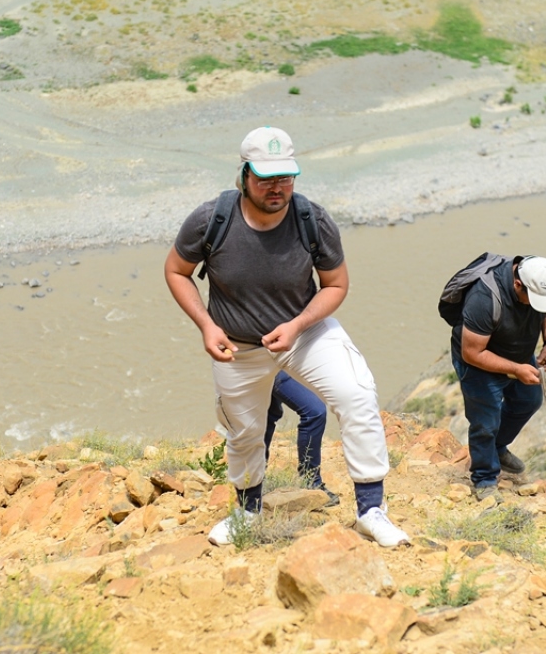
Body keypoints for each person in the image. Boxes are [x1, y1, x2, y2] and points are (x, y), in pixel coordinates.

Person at [165, 125, 408, 547]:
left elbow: (336, 285)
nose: (276, 187)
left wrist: (296, 325)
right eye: (265, 178)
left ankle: (371, 511)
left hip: (305, 334)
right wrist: (206, 325)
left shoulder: (312, 220)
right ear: (244, 175)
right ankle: (247, 513)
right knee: (244, 432)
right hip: (238, 347)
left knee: (357, 392)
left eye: (285, 177)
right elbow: (176, 271)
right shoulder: (211, 220)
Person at [451, 254, 546, 503]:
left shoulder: (540, 280)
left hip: (518, 355)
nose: (538, 306)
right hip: (480, 361)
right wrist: (517, 369)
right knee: (485, 422)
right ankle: (485, 480)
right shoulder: (485, 298)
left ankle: (497, 449)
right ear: (517, 285)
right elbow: (471, 352)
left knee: (529, 401)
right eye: (534, 301)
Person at [264, 372, 338, 507]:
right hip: (262, 366)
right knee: (314, 412)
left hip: (274, 365)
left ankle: (254, 482)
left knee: (268, 414)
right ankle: (311, 482)